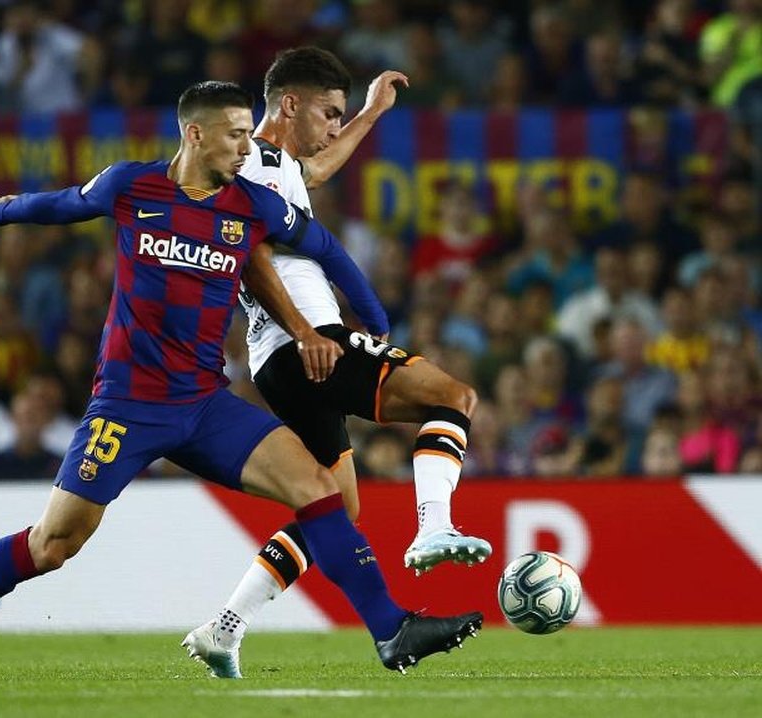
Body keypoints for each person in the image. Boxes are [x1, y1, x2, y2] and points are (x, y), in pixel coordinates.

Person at [0, 81, 482, 681]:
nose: (247, 148)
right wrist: (1, 211)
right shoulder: (134, 185)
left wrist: (372, 326)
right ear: (196, 133)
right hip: (126, 407)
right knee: (53, 545)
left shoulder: (252, 204)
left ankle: (390, 629)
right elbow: (65, 203)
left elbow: (324, 247)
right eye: (236, 135)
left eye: (249, 133)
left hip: (205, 403)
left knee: (320, 489)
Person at [181, 47, 490, 679]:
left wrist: (371, 114)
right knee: (452, 397)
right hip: (311, 342)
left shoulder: (272, 164)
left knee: (333, 510)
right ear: (288, 105)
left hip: (277, 358)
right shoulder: (256, 168)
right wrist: (305, 329)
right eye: (328, 113)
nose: (331, 127)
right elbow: (253, 251)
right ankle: (434, 526)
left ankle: (224, 627)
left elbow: (316, 169)